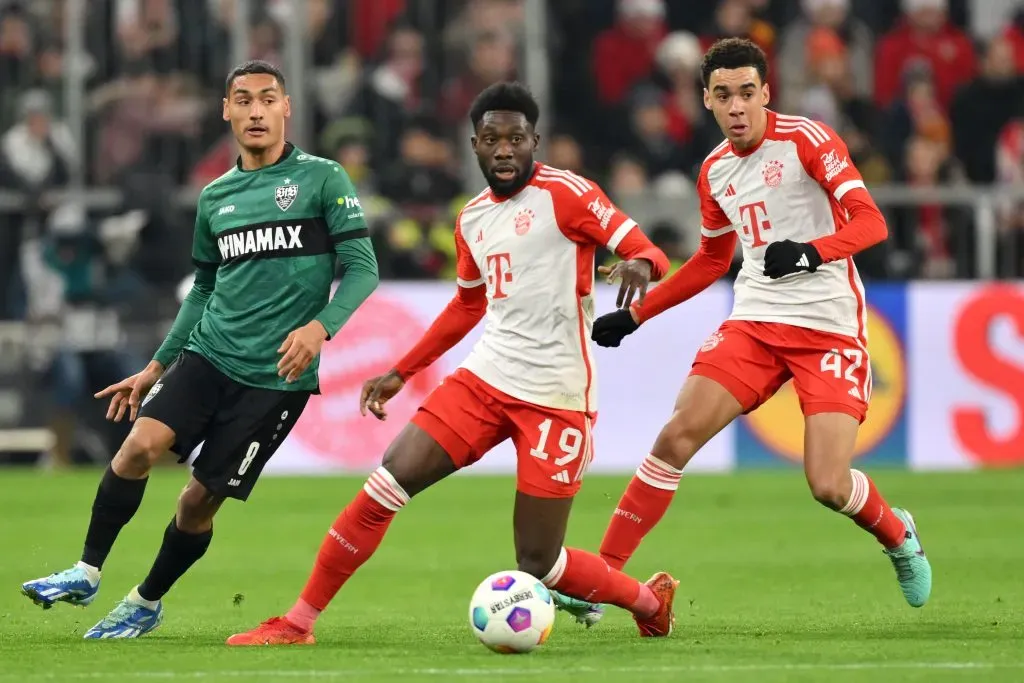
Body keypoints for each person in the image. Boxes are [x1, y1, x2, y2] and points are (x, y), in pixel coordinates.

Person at [226, 82, 678, 646]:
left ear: (535, 141)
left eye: (516, 138)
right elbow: (468, 303)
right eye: (492, 139)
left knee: (538, 561)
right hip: (487, 378)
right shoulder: (472, 218)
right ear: (475, 145)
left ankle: (646, 600)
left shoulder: (569, 194)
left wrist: (639, 263)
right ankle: (298, 622)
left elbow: (648, 250)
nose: (505, 149)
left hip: (557, 397)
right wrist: (402, 371)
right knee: (386, 482)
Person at [20, 60, 380, 639]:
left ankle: (145, 599)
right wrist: (157, 364)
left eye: (268, 99)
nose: (256, 110)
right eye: (243, 100)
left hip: (275, 380)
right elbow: (206, 287)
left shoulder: (322, 179)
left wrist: (321, 327)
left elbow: (363, 270)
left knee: (197, 503)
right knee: (139, 445)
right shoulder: (216, 196)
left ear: (286, 108)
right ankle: (87, 570)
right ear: (226, 111)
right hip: (209, 354)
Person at [588, 38, 932, 613]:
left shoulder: (807, 140)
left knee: (827, 483)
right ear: (706, 101)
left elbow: (871, 223)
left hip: (827, 327)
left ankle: (899, 536)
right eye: (724, 96)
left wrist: (809, 253)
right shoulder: (714, 171)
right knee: (676, 436)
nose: (737, 106)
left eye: (747, 93)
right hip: (755, 322)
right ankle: (602, 579)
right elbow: (711, 261)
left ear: (766, 93)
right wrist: (635, 314)